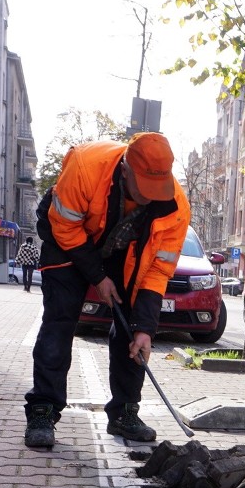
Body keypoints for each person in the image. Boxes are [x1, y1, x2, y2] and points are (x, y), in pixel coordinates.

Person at [23, 132, 191, 450]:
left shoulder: (176, 209)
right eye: (144, 189)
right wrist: (98, 277)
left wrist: (145, 329)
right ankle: (42, 410)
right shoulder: (86, 166)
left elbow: (156, 272)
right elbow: (64, 226)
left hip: (122, 251)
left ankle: (124, 412)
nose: (150, 197)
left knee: (131, 330)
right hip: (69, 241)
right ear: (125, 169)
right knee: (59, 321)